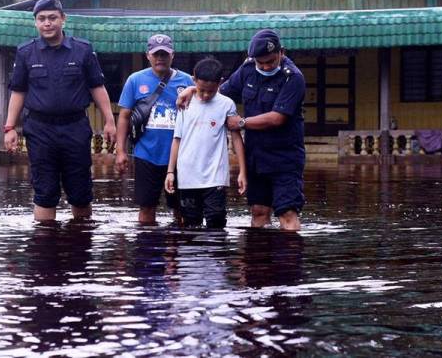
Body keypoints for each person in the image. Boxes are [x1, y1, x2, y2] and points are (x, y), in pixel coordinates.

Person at [178, 29, 305, 231]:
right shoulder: (247, 69)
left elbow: (277, 118)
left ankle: (287, 262)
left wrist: (241, 123)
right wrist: (192, 89)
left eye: (270, 62)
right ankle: (258, 262)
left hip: (285, 157)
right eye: (259, 62)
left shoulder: (293, 78)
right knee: (258, 212)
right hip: (256, 155)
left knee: (287, 213)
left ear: (282, 52)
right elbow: (218, 91)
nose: (264, 66)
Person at [4, 0, 116, 222]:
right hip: (39, 130)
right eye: (42, 19)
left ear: (63, 19)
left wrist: (109, 121)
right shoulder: (26, 52)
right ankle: (45, 250)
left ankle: (80, 245)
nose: (47, 23)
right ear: (35, 22)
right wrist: (9, 128)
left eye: (52, 18)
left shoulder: (82, 50)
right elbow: (18, 91)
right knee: (44, 191)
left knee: (80, 191)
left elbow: (97, 87)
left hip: (75, 127)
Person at [115, 34, 193, 225]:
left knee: (181, 208)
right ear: (147, 55)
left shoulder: (188, 82)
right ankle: (146, 247)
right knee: (146, 206)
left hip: (179, 156)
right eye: (156, 54)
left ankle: (177, 248)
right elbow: (124, 116)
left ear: (172, 55)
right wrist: (120, 151)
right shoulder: (135, 80)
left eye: (164, 54)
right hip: (146, 154)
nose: (160, 58)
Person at [164, 58, 247, 229]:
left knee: (216, 221)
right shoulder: (184, 103)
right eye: (202, 90)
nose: (206, 95)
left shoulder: (226, 104)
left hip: (215, 175)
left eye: (211, 91)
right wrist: (170, 172)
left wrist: (242, 172)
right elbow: (177, 139)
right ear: (194, 80)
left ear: (220, 83)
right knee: (190, 225)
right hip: (187, 174)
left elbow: (237, 139)